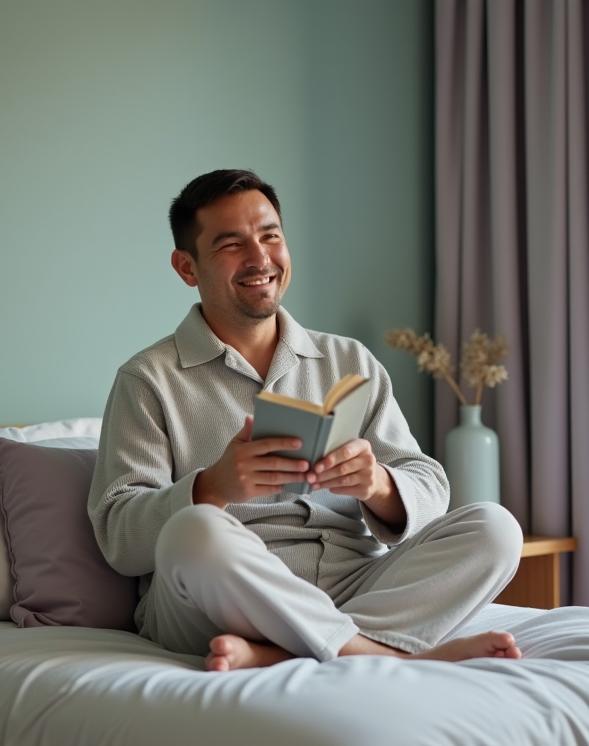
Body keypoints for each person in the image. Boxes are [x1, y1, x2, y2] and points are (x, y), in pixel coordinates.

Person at [88, 169, 523, 671]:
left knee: (496, 528)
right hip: (221, 597)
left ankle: (282, 651)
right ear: (187, 267)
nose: (260, 258)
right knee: (196, 532)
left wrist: (378, 485)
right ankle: (383, 651)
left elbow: (429, 487)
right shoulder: (147, 379)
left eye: (270, 235)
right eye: (231, 244)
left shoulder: (349, 361)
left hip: (352, 584)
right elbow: (117, 535)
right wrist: (210, 487)